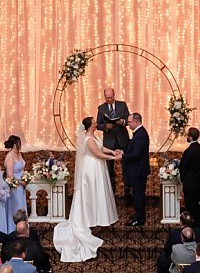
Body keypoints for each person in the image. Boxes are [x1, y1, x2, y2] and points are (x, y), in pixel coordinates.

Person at [52, 115, 121, 263]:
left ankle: (98, 216)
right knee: (92, 194)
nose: (97, 124)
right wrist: (113, 158)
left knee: (99, 193)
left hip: (96, 167)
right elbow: (97, 153)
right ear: (90, 126)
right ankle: (91, 216)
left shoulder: (92, 136)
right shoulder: (88, 139)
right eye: (95, 123)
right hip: (91, 169)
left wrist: (112, 151)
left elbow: (101, 147)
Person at [121, 111, 151, 226]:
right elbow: (133, 149)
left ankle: (139, 219)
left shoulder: (141, 134)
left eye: (129, 122)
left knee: (138, 196)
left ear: (136, 122)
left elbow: (136, 154)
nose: (128, 125)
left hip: (138, 171)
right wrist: (123, 151)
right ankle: (138, 216)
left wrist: (122, 156)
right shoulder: (138, 133)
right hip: (137, 170)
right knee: (137, 195)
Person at [178, 126, 200, 228]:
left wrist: (182, 178)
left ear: (190, 137)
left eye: (187, 135)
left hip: (190, 183)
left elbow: (183, 167)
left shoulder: (188, 151)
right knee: (197, 206)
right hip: (199, 181)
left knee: (190, 207)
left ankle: (191, 228)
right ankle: (199, 227)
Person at [95, 86, 129, 154]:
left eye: (111, 97)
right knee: (109, 163)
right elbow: (98, 125)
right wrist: (106, 127)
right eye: (107, 98)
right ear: (104, 96)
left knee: (125, 162)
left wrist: (122, 122)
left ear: (114, 95)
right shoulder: (101, 108)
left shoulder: (122, 105)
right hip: (109, 141)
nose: (109, 100)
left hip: (122, 139)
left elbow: (128, 119)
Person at [3, 134, 29, 220]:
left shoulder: (19, 154)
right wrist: (22, 182)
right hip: (15, 187)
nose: (20, 145)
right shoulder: (10, 156)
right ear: (14, 145)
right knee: (16, 208)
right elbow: (10, 176)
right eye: (19, 143)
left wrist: (26, 177)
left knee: (22, 208)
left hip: (21, 187)